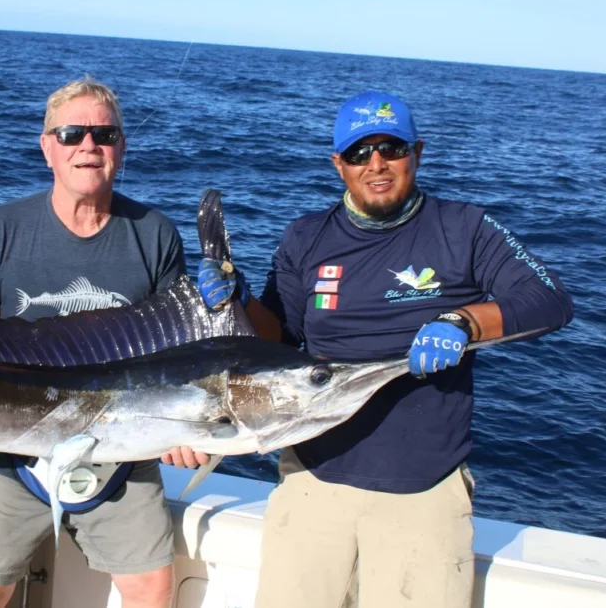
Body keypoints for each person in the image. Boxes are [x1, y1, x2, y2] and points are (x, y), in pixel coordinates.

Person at [197, 90, 574, 608]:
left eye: (391, 149)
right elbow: (279, 340)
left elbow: (549, 299)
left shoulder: (464, 228)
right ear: (338, 164)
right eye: (358, 153)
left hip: (422, 490)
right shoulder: (306, 237)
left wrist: (463, 321)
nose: (376, 164)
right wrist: (238, 301)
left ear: (417, 152)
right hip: (312, 476)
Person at [0, 77, 190, 608]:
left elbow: (177, 364)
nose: (88, 146)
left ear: (122, 146)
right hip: (12, 450)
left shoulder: (156, 233)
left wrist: (186, 429)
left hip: (122, 449)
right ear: (47, 145)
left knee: (153, 590)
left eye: (104, 134)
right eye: (72, 133)